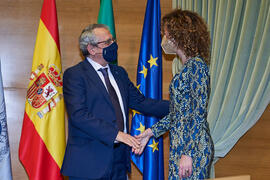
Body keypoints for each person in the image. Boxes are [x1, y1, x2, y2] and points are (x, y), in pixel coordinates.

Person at [60, 24, 169, 180]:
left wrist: (177, 105)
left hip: (119, 159)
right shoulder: (75, 75)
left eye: (113, 40)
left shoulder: (120, 73)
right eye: (107, 42)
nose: (113, 45)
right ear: (91, 49)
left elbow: (141, 102)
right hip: (89, 163)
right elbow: (79, 116)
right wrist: (117, 134)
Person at [135, 9, 214, 180]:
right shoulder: (187, 67)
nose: (164, 38)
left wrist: (188, 153)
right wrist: (150, 132)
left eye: (167, 33)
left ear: (180, 34)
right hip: (181, 145)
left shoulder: (197, 67)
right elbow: (178, 113)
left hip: (192, 148)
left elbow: (197, 112)